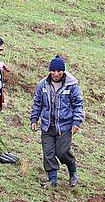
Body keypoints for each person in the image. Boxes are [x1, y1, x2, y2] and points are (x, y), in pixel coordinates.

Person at [28, 55, 84, 188]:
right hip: (47, 125)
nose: (56, 74)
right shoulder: (43, 84)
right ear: (50, 71)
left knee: (62, 152)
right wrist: (34, 118)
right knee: (48, 153)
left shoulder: (71, 85)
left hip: (65, 126)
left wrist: (76, 122)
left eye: (59, 71)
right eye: (53, 71)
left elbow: (78, 104)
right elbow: (37, 103)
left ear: (63, 71)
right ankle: (52, 179)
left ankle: (72, 171)